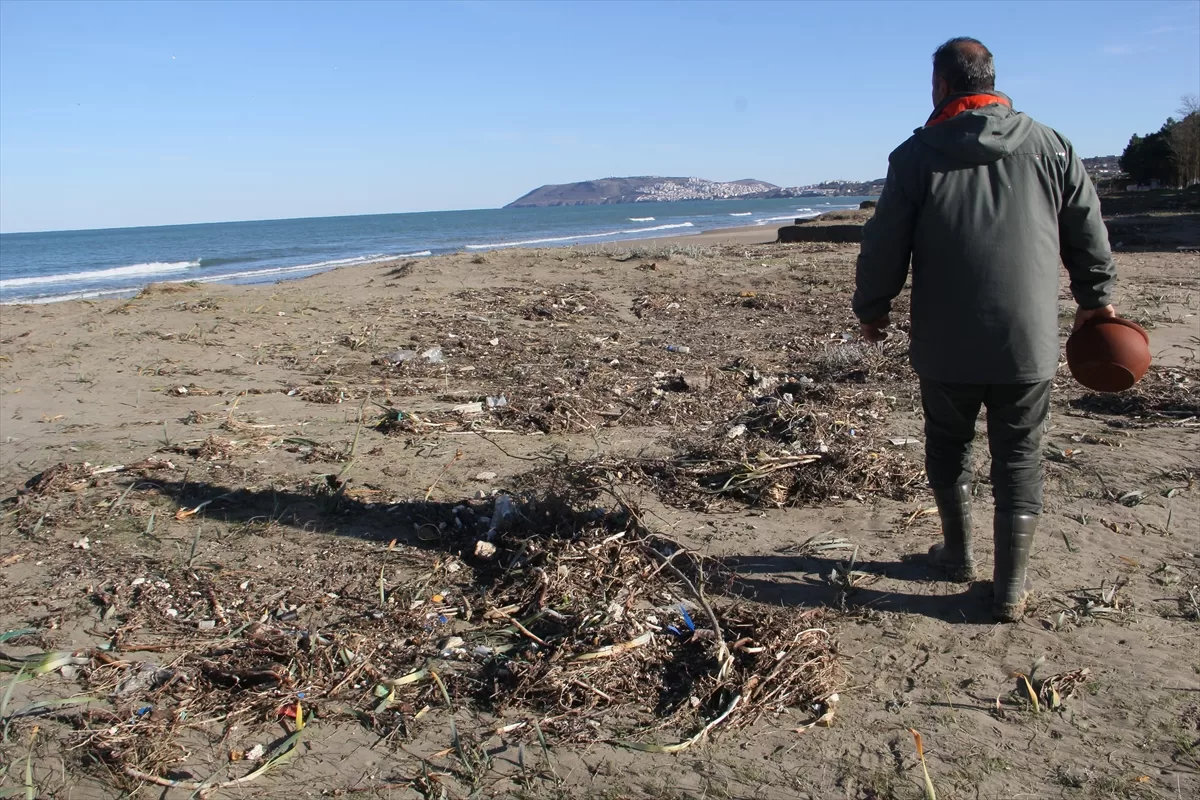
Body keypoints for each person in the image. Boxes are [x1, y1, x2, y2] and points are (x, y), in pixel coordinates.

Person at [852, 37, 1117, 622]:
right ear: (991, 80)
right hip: (1028, 340)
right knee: (1020, 455)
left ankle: (958, 554)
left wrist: (873, 308)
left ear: (942, 86)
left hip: (945, 342)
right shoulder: (1051, 145)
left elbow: (884, 242)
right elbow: (1087, 229)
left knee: (949, 443)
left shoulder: (916, 155)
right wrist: (1096, 300)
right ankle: (1010, 589)